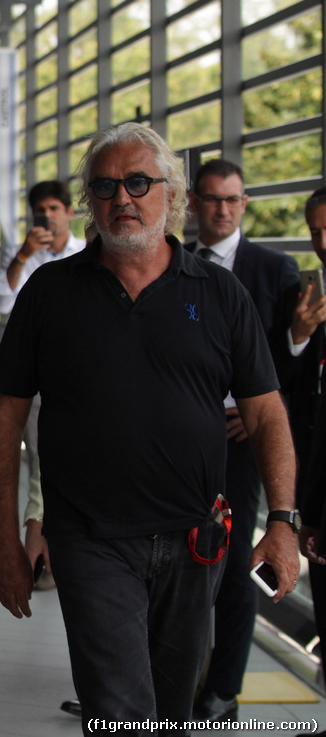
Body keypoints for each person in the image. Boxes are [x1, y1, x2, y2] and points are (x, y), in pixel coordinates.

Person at [0, 122, 299, 733]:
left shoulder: (219, 293)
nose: (120, 198)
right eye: (104, 186)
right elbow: (6, 413)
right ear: (89, 202)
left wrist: (282, 522)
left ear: (172, 198)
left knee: (171, 714)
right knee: (122, 713)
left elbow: (265, 412)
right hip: (90, 541)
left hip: (195, 541)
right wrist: (4, 536)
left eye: (137, 182)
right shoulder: (51, 292)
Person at [184, 159, 300, 723]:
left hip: (237, 441)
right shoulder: (169, 264)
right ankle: (150, 685)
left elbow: (289, 365)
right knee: (160, 560)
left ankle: (223, 690)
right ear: (192, 202)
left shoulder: (275, 270)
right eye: (211, 200)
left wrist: (247, 409)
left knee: (232, 567)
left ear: (245, 203)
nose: (222, 210)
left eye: (232, 200)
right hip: (174, 438)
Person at [0, 180, 86, 590]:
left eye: (53, 208)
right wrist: (25, 254)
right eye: (39, 210)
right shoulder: (25, 256)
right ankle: (44, 551)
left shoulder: (86, 254)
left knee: (72, 461)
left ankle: (65, 546)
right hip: (37, 378)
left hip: (81, 375)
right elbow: (0, 300)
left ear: (68, 211)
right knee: (41, 463)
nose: (47, 216)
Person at [282, 188, 326, 737]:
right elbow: (306, 402)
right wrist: (299, 336)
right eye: (315, 231)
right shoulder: (314, 297)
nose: (322, 242)